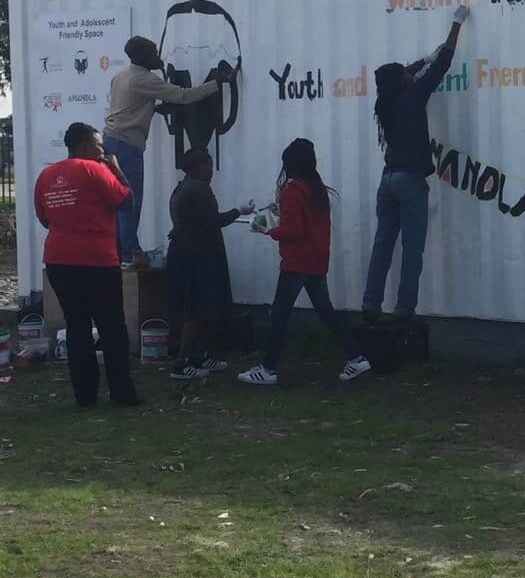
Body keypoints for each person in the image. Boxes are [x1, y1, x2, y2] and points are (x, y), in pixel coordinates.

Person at [362, 4, 470, 320]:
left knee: (382, 246)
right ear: (404, 81)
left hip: (388, 181)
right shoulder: (412, 96)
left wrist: (424, 59)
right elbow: (445, 63)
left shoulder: (385, 102)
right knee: (412, 250)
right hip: (409, 183)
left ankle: (370, 303)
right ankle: (404, 309)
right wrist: (456, 25)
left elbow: (405, 73)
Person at [238, 139, 371, 385]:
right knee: (325, 310)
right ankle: (356, 357)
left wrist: (267, 230)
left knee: (279, 313)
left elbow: (293, 230)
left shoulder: (292, 191)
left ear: (290, 164)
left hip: (297, 261)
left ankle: (268, 369)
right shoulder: (317, 189)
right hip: (317, 258)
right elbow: (307, 224)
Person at [33, 122, 140, 408]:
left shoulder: (46, 175)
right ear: (82, 145)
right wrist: (117, 169)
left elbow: (44, 218)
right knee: (112, 327)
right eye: (98, 145)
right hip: (97, 261)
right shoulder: (96, 170)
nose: (102, 151)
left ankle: (85, 395)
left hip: (58, 261)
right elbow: (127, 201)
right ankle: (121, 392)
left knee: (77, 327)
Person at [104, 35, 235, 266]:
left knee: (118, 200)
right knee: (130, 200)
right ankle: (129, 255)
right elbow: (183, 96)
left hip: (112, 141)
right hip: (127, 145)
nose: (158, 57)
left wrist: (154, 108)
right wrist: (217, 83)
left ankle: (118, 253)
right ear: (143, 56)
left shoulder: (120, 76)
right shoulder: (144, 79)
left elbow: (131, 106)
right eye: (154, 53)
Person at [167, 148, 255, 381]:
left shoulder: (181, 188)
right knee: (197, 310)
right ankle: (182, 363)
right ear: (198, 166)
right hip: (196, 256)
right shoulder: (199, 189)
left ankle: (199, 356)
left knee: (205, 307)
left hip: (186, 252)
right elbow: (214, 221)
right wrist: (239, 211)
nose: (211, 171)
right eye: (208, 165)